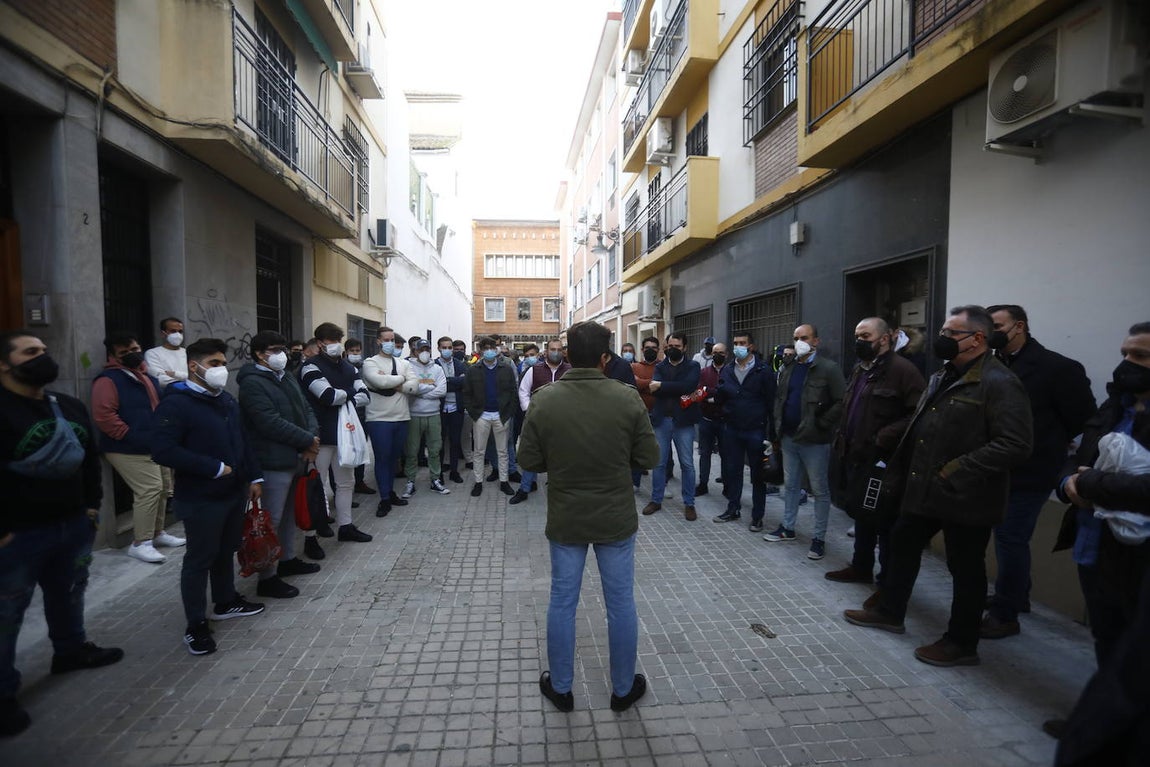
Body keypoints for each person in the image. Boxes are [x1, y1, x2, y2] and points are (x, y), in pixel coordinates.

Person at [843, 305, 1033, 667]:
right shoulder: (943, 375)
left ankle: (961, 643)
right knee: (902, 542)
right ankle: (890, 609)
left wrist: (957, 470)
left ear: (977, 339)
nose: (942, 339)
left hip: (967, 494)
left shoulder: (999, 382)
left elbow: (1016, 443)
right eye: (943, 331)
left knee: (965, 568)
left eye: (950, 334)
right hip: (924, 487)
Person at [518, 321, 660, 713]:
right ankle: (622, 689)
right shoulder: (627, 397)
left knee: (562, 601)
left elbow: (528, 460)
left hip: (567, 518)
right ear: (605, 358)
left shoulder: (545, 399)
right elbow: (649, 458)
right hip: (615, 518)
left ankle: (562, 688)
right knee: (620, 603)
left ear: (565, 354)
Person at [0, 330, 124, 737]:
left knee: (70, 591)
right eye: (30, 352)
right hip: (17, 535)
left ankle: (69, 650)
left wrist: (91, 507)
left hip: (72, 523)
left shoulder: (66, 405)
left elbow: (89, 461)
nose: (42, 356)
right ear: (6, 363)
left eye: (44, 349)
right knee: (8, 613)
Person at [1053, 321, 1150, 764]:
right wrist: (1067, 483)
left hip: (1138, 551)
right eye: (1126, 353)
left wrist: (1092, 483)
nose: (1128, 364)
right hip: (1094, 537)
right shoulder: (1116, 405)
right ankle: (1098, 717)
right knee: (1106, 634)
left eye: (1142, 357)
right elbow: (1078, 453)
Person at [975, 305, 1096, 639]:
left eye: (997, 326)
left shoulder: (1057, 368)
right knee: (1005, 539)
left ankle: (1006, 613)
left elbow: (1083, 418)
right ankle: (1016, 595)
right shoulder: (990, 363)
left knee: (1010, 538)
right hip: (994, 466)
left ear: (1020, 327)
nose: (990, 333)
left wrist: (1047, 443)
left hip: (1032, 470)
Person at [152, 338, 267, 656]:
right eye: (215, 364)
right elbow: (162, 449)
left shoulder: (226, 401)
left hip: (233, 493)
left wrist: (253, 476)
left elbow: (242, 441)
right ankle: (195, 625)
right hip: (201, 496)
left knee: (225, 550)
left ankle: (225, 601)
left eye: (222, 364)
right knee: (199, 559)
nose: (221, 371)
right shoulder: (176, 403)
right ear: (194, 366)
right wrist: (213, 468)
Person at [824, 318, 925, 593]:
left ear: (885, 338)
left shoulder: (904, 371)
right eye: (856, 335)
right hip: (855, 455)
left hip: (883, 461)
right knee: (862, 514)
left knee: (883, 521)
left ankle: (886, 584)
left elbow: (917, 415)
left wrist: (884, 437)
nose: (859, 341)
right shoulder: (862, 369)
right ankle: (861, 566)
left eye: (865, 335)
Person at [236, 331, 322, 599]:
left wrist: (311, 437)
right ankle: (268, 577)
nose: (282, 354)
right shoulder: (252, 383)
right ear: (260, 354)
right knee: (271, 518)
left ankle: (287, 559)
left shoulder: (285, 377)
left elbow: (306, 408)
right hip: (273, 459)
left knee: (287, 517)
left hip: (295, 455)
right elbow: (269, 422)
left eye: (283, 348)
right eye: (275, 349)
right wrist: (308, 439)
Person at [92, 333, 185, 564]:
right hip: (125, 447)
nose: (131, 354)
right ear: (113, 356)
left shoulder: (145, 377)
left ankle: (157, 533)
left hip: (152, 444)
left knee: (164, 487)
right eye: (124, 353)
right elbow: (104, 416)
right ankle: (140, 543)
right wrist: (131, 436)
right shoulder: (108, 380)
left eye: (134, 348)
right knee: (150, 489)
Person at [764, 324, 845, 560]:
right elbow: (781, 400)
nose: (799, 342)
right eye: (796, 338)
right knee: (790, 486)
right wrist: (776, 433)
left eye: (805, 338)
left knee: (819, 489)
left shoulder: (828, 369)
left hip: (815, 440)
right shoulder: (789, 367)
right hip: (789, 438)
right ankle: (788, 528)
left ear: (816, 341)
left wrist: (821, 423)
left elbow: (842, 401)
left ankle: (818, 538)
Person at [299, 323, 372, 543]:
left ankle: (346, 526)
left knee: (345, 483)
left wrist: (343, 394)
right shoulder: (310, 367)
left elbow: (365, 396)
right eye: (331, 341)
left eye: (337, 341)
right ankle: (311, 535)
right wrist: (349, 393)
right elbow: (328, 396)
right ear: (320, 343)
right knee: (316, 485)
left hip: (345, 434)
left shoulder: (349, 367)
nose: (335, 345)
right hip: (319, 435)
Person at [714, 333, 777, 531]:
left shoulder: (763, 371)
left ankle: (757, 516)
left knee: (758, 475)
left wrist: (770, 433)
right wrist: (725, 411)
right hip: (732, 429)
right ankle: (733, 508)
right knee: (733, 472)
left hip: (755, 430)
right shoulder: (728, 370)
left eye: (742, 343)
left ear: (751, 346)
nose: (738, 347)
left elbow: (771, 402)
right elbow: (720, 395)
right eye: (735, 343)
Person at [642, 332, 701, 521]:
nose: (673, 349)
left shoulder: (693, 366)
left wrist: (662, 386)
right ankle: (656, 499)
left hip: (683, 422)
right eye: (670, 346)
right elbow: (654, 389)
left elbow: (689, 387)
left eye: (677, 346)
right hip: (662, 421)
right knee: (659, 463)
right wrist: (671, 387)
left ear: (684, 347)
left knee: (687, 464)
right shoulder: (660, 366)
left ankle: (689, 503)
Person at [362, 327, 418, 518]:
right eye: (386, 339)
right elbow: (379, 382)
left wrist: (394, 381)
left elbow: (415, 386)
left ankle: (390, 492)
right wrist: (402, 381)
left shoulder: (403, 363)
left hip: (401, 417)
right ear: (378, 341)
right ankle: (384, 498)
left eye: (392, 339)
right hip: (379, 419)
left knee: (394, 459)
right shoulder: (370, 363)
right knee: (382, 459)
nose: (390, 343)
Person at [509, 339, 571, 505]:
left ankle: (559, 489)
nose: (555, 352)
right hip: (537, 422)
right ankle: (524, 489)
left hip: (563, 423)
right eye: (552, 349)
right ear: (546, 351)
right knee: (532, 455)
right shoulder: (534, 370)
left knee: (560, 457)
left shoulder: (570, 370)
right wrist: (530, 411)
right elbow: (523, 392)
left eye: (559, 349)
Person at [463, 337, 517, 498]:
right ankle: (478, 482)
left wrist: (509, 413)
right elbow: (467, 394)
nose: (489, 351)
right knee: (479, 451)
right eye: (485, 348)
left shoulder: (506, 368)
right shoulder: (473, 370)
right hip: (481, 416)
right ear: (480, 351)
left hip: (501, 416)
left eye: (491, 347)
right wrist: (474, 414)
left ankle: (504, 481)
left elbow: (513, 392)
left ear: (496, 349)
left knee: (503, 451)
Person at [402, 339, 449, 498]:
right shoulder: (408, 367)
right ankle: (410, 481)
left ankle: (435, 480)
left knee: (435, 449)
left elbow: (442, 390)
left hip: (434, 414)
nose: (424, 352)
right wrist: (429, 388)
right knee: (412, 451)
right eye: (421, 349)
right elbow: (409, 388)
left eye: (427, 349)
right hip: (414, 415)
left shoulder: (437, 368)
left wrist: (419, 391)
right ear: (414, 351)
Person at [344, 338, 375, 496]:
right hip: (348, 415)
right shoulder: (342, 368)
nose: (355, 354)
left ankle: (359, 480)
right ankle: (347, 484)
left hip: (365, 414)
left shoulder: (365, 367)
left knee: (362, 447)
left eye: (358, 351)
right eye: (352, 351)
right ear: (346, 352)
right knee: (349, 449)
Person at [695, 342, 727, 497]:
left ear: (726, 354)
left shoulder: (730, 372)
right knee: (705, 454)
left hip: (725, 421)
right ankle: (703, 484)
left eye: (721, 352)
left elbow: (729, 394)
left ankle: (727, 485)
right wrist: (715, 395)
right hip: (706, 420)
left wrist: (712, 393)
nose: (717, 355)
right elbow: (700, 392)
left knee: (727, 454)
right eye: (715, 352)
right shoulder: (704, 372)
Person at [435, 335, 468, 484]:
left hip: (456, 408)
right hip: (439, 409)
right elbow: (434, 385)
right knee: (439, 442)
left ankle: (454, 471)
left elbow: (464, 382)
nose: (447, 350)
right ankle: (439, 472)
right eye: (444, 347)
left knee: (455, 441)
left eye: (449, 347)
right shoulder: (433, 365)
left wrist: (446, 381)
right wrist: (455, 381)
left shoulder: (460, 364)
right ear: (438, 348)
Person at [143, 317, 188, 390]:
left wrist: (175, 374)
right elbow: (160, 379)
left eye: (180, 331)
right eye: (173, 331)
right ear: (163, 333)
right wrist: (187, 385)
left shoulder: (188, 352)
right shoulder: (152, 354)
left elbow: (197, 375)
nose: (177, 334)